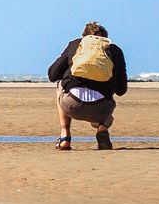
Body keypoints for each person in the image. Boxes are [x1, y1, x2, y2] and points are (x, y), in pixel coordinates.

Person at [47, 21, 128, 150]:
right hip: (101, 109)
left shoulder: (75, 45)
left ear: (84, 37)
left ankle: (65, 136)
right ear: (105, 39)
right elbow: (121, 90)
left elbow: (52, 74)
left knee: (60, 83)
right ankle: (102, 127)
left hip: (71, 105)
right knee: (108, 112)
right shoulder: (114, 50)